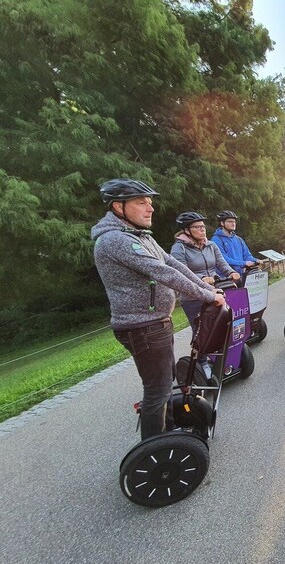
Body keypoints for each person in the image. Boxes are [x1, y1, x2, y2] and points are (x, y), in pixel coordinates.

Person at [91, 179, 225, 440]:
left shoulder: (140, 236)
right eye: (141, 202)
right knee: (157, 391)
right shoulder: (116, 240)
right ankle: (157, 449)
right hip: (142, 326)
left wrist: (208, 291)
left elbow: (174, 264)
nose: (150, 208)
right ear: (118, 206)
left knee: (164, 386)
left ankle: (168, 434)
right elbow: (162, 273)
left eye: (150, 202)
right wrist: (206, 294)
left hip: (155, 323)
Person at [170, 212, 240, 379]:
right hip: (193, 296)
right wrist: (201, 279)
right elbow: (181, 272)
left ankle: (220, 358)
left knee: (222, 325)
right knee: (201, 331)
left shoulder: (210, 245)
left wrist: (230, 271)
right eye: (197, 227)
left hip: (215, 292)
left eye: (203, 226)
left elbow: (221, 262)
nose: (202, 230)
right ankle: (201, 362)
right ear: (187, 230)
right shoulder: (179, 248)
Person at [211, 210, 259, 277]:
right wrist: (244, 263)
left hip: (241, 275)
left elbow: (247, 255)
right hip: (226, 278)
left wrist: (256, 260)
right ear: (222, 223)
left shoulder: (238, 239)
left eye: (234, 222)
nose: (233, 224)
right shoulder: (216, 240)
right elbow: (223, 259)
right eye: (230, 221)